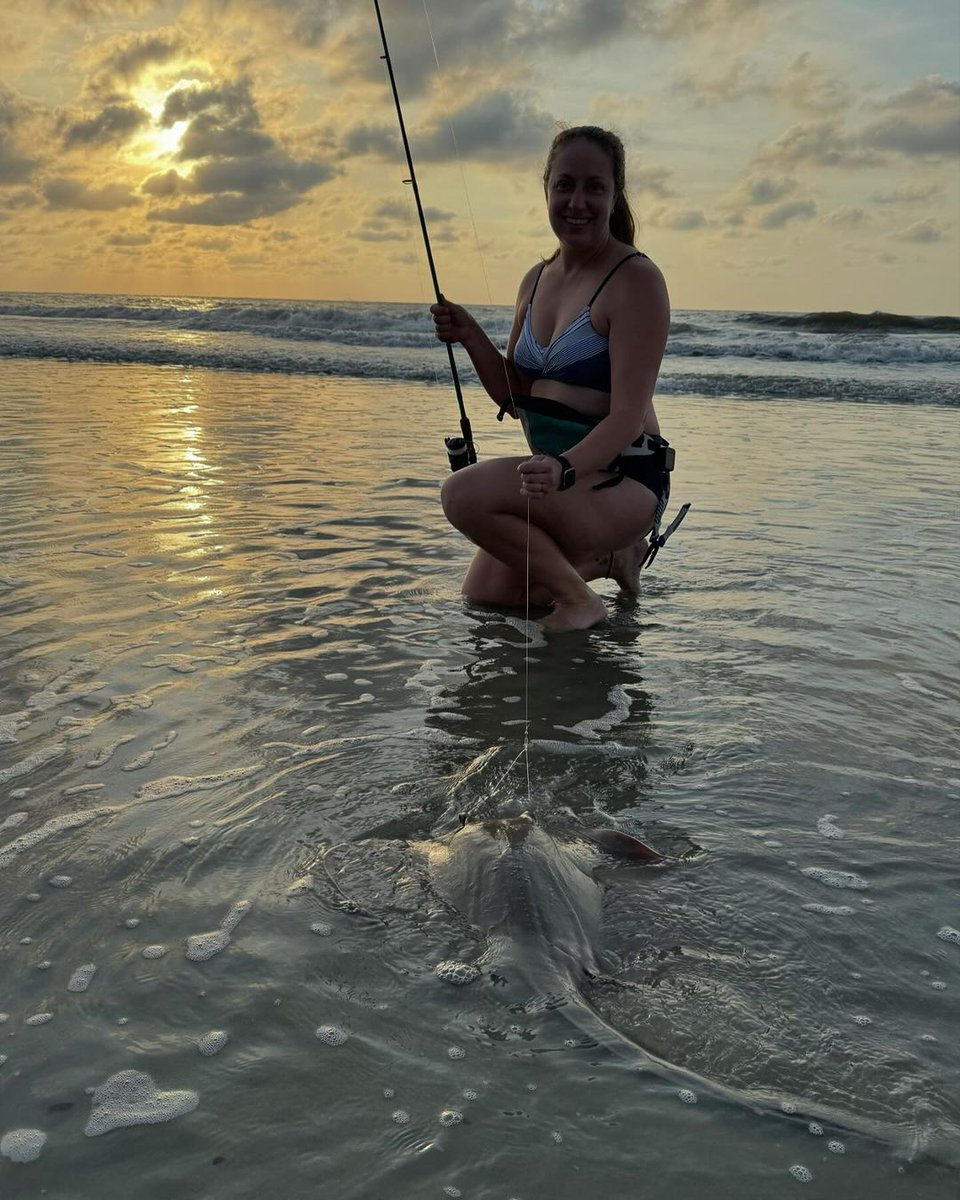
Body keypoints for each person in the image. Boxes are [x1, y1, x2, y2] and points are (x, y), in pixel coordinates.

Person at [432, 125, 673, 632]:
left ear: (615, 194)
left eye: (594, 187)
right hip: (560, 479)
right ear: (547, 189)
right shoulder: (535, 279)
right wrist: (471, 333)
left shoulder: (636, 280)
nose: (577, 201)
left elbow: (629, 417)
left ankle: (581, 601)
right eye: (564, 185)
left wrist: (565, 468)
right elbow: (516, 396)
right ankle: (612, 562)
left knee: (462, 494)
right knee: (490, 598)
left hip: (619, 481)